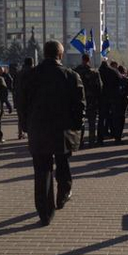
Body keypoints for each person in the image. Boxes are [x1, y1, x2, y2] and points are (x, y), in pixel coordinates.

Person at [22, 41, 86, 226]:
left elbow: (22, 102)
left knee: (42, 171)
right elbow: (80, 104)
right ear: (60, 55)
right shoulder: (70, 75)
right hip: (63, 130)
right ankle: (63, 194)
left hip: (38, 129)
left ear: (45, 54)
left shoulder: (30, 75)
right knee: (63, 162)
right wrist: (77, 126)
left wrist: (26, 125)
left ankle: (45, 212)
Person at [75, 54, 103, 147]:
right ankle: (91, 141)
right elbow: (99, 88)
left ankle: (80, 142)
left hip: (79, 100)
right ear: (89, 60)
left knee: (80, 122)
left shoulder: (76, 72)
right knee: (92, 123)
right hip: (92, 101)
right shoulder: (94, 73)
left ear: (82, 59)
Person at [14, 58, 34, 139]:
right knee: (31, 118)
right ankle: (31, 134)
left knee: (20, 117)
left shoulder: (19, 73)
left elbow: (15, 86)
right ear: (32, 63)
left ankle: (20, 133)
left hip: (20, 98)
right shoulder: (34, 72)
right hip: (31, 98)